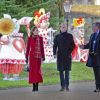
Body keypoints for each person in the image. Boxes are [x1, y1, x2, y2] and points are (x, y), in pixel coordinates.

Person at [53, 23, 75, 91]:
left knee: (67, 72)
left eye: (64, 27)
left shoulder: (70, 36)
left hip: (67, 56)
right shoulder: (57, 36)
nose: (63, 28)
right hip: (60, 56)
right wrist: (54, 53)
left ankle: (67, 86)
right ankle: (62, 86)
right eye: (62, 27)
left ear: (66, 28)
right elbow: (55, 45)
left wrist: (69, 52)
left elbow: (73, 45)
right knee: (61, 71)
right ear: (60, 28)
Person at [26, 27, 45, 92]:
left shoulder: (40, 38)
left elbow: (42, 48)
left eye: (38, 31)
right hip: (32, 57)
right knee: (32, 72)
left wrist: (43, 56)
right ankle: (33, 86)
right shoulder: (30, 38)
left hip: (38, 57)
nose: (37, 32)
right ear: (33, 31)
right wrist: (26, 57)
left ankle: (37, 86)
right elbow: (28, 48)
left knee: (37, 72)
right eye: (36, 30)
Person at [82, 22, 100, 92]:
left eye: (94, 26)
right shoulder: (92, 35)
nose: (93, 28)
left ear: (98, 27)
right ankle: (97, 87)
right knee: (96, 73)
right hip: (94, 57)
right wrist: (83, 46)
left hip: (99, 56)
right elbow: (90, 44)